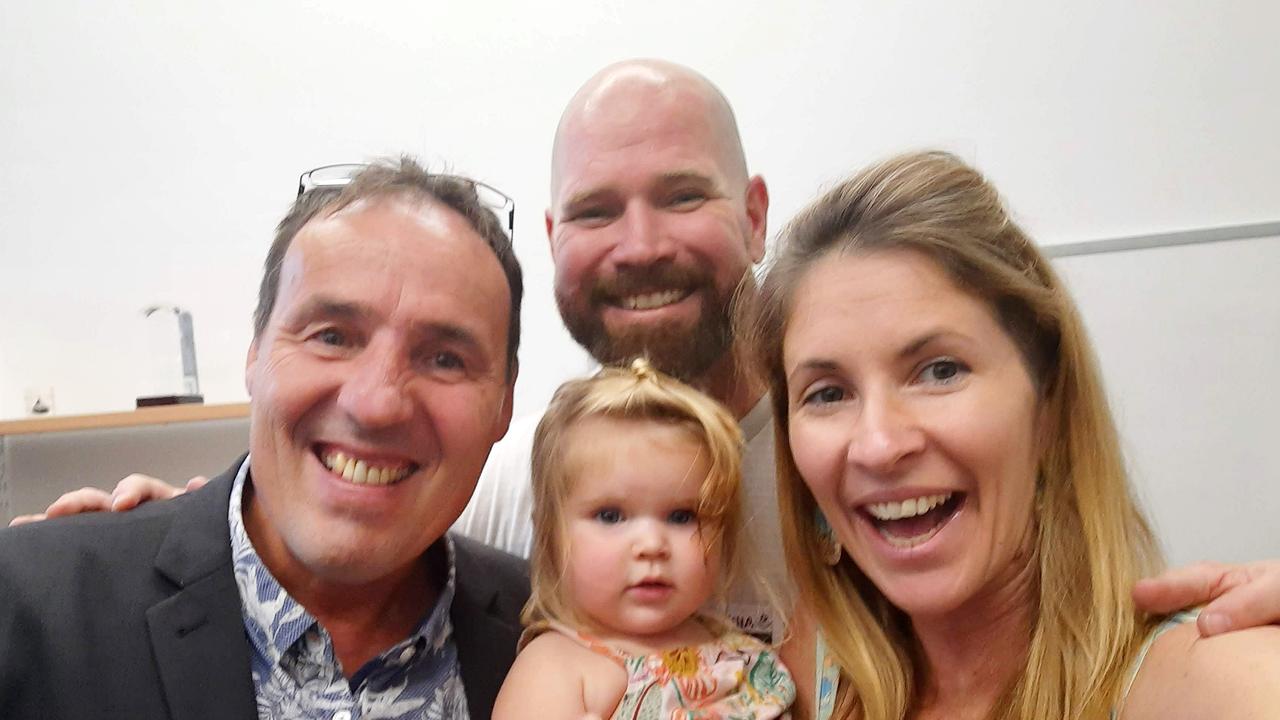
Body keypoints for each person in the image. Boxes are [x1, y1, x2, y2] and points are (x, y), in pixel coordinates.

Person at [17, 58, 1280, 639]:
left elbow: (1084, 624)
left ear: (752, 217)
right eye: (593, 212)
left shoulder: (867, 461)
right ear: (554, 234)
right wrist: (181, 536)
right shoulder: (517, 484)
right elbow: (354, 531)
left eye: (678, 196)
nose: (636, 247)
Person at [743, 151, 1280, 719]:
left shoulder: (1208, 682)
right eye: (828, 393)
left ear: (1047, 400)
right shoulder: (817, 674)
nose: (878, 444)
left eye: (940, 371)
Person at [0, 158, 530, 719]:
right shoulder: (35, 609)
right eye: (332, 336)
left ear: (504, 402)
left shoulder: (556, 635)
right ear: (254, 355)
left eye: (445, 359)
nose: (375, 404)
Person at [492, 359, 794, 719]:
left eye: (683, 517)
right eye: (610, 515)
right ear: (548, 536)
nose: (652, 545)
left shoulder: (743, 654)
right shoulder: (557, 669)